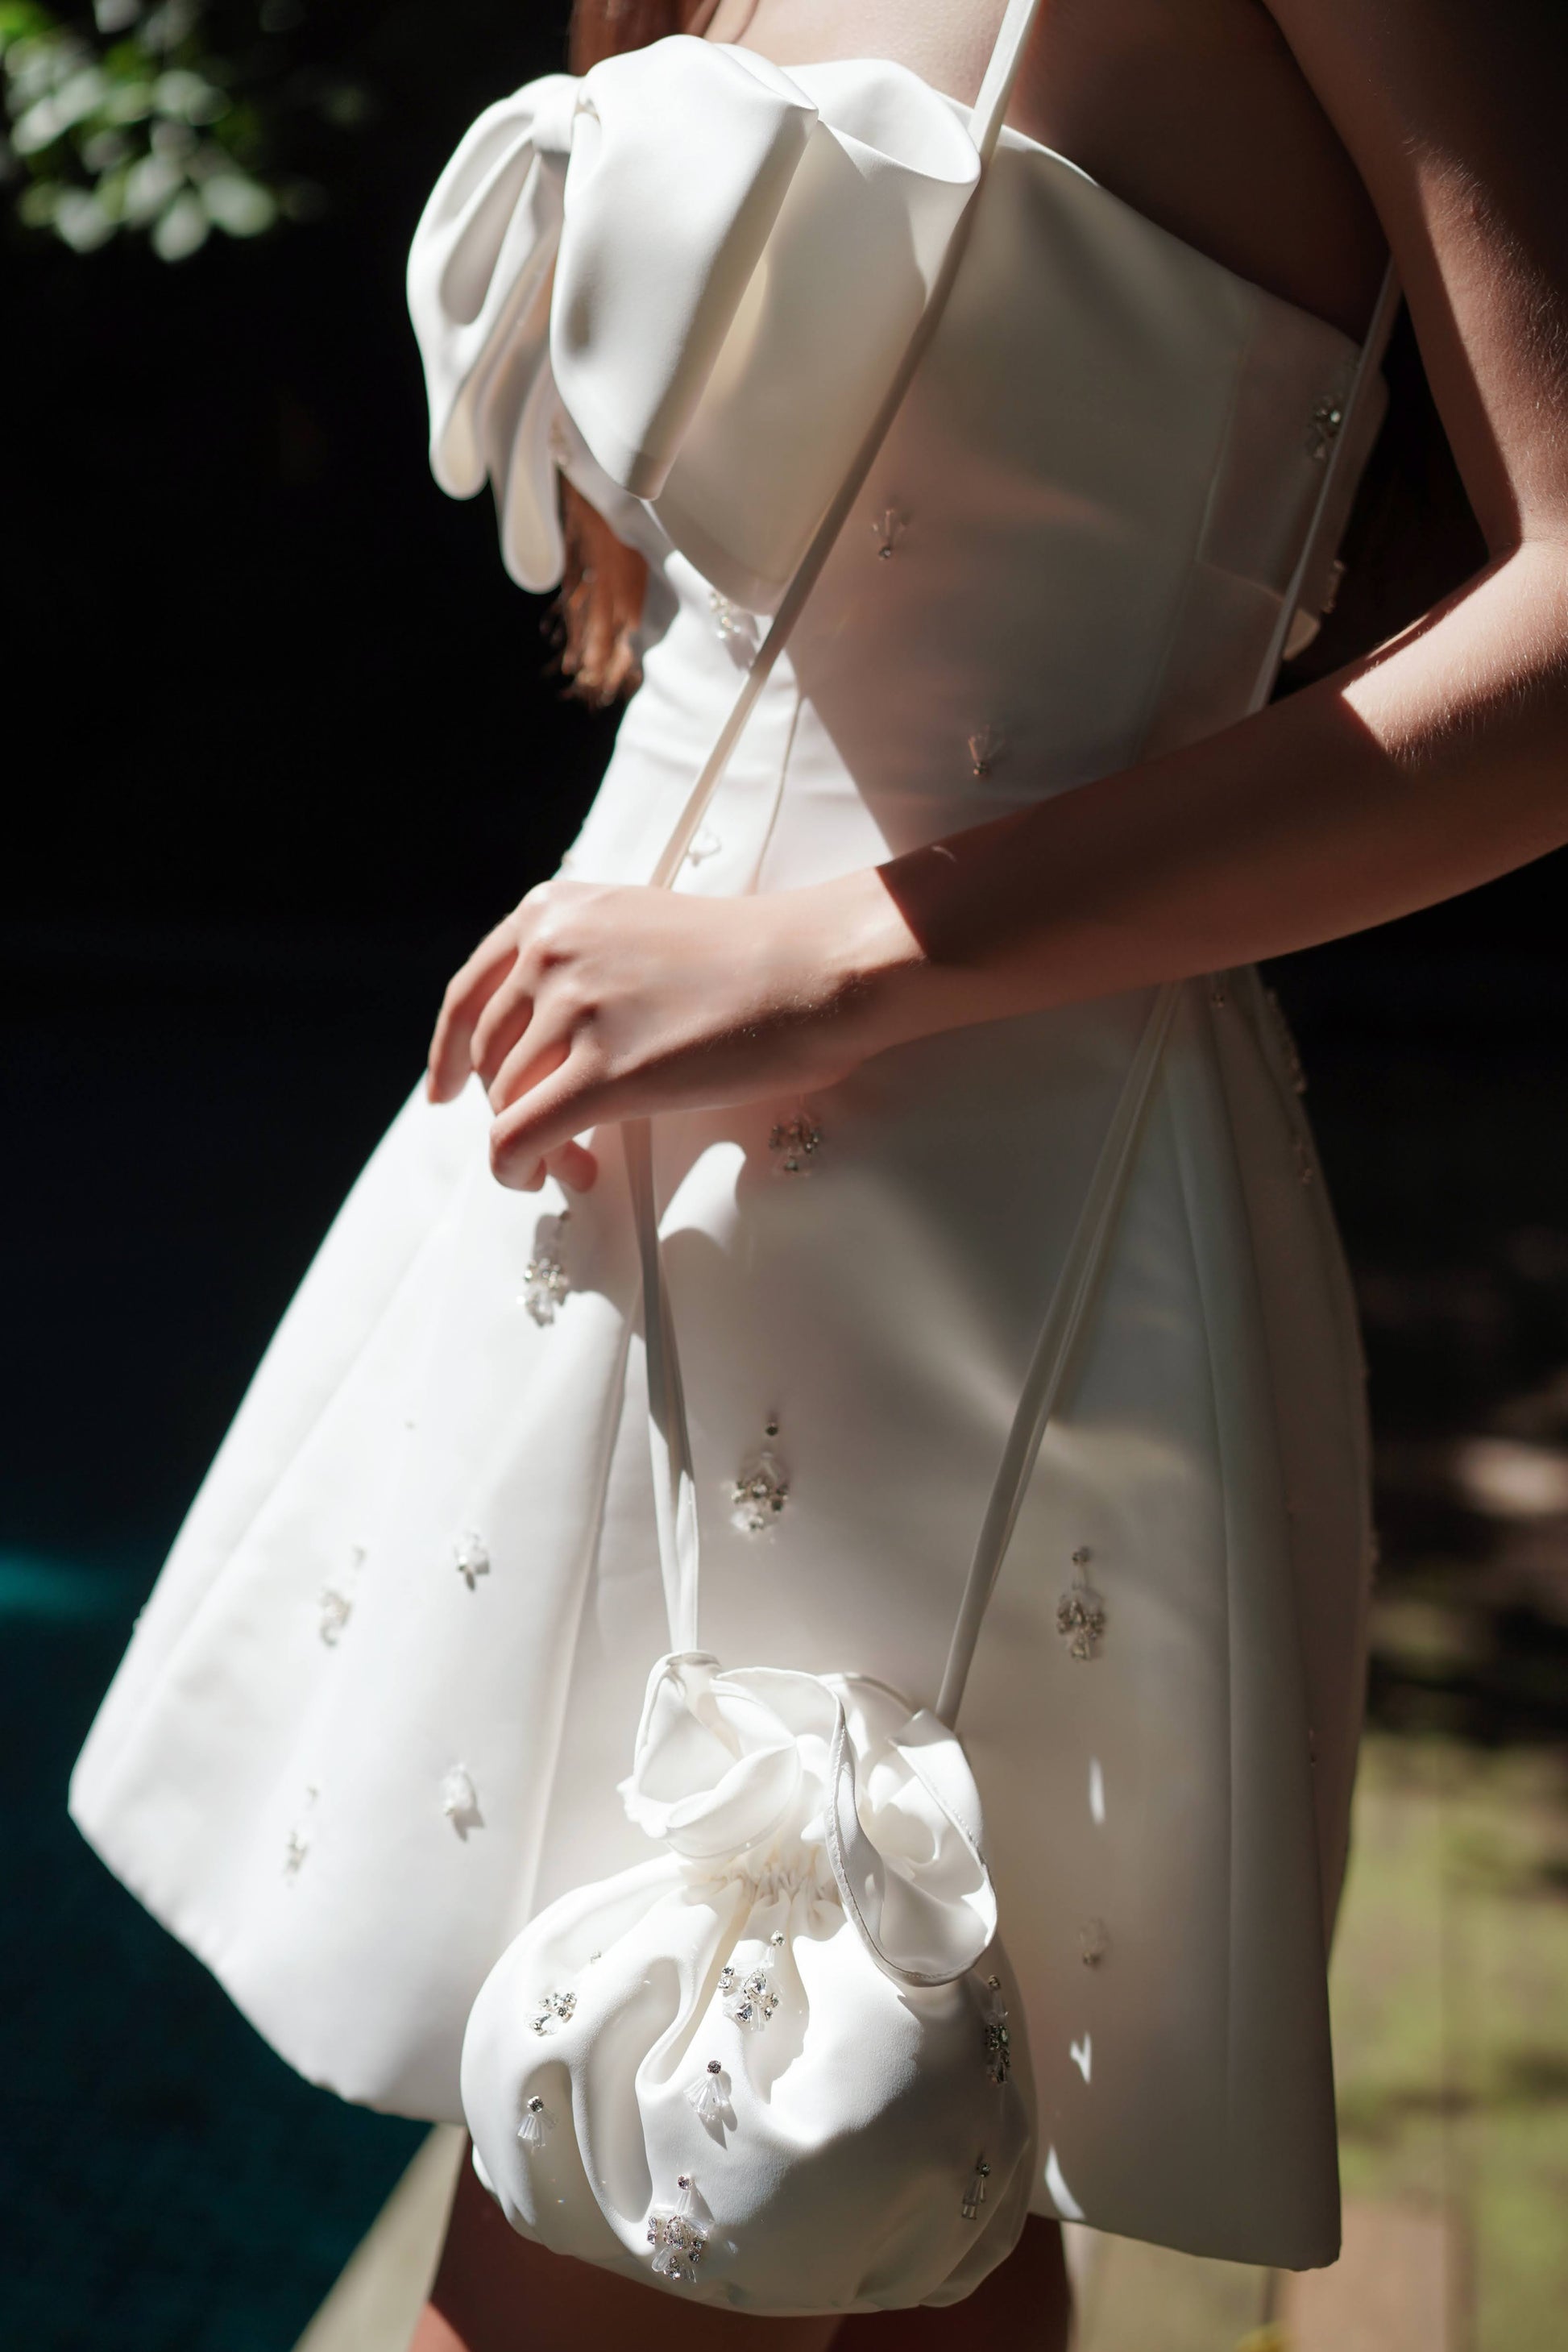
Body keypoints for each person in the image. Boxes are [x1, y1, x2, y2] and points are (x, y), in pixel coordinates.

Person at [71, 2, 1566, 2347]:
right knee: (858, 2214)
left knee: (712, 2180)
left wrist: (838, 954)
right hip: (581, 1211)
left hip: (962, 1244)